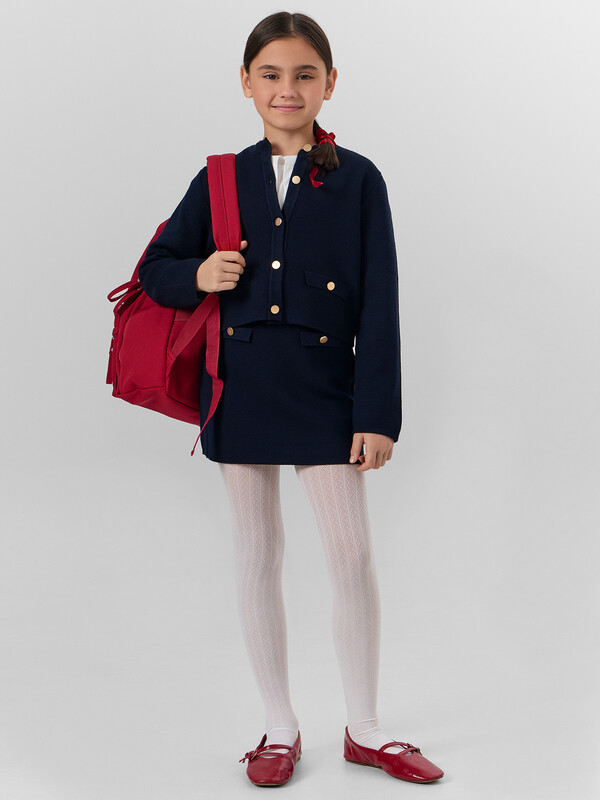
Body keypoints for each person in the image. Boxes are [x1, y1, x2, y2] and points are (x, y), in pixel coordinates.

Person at [138, 10, 444, 788]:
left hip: (325, 391)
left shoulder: (359, 178)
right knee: (257, 555)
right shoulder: (220, 178)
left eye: (305, 74)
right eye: (270, 74)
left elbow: (379, 301)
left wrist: (377, 416)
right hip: (237, 389)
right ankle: (278, 728)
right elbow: (156, 268)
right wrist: (198, 273)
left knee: (350, 554)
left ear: (330, 83)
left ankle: (365, 729)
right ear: (246, 83)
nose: (287, 89)